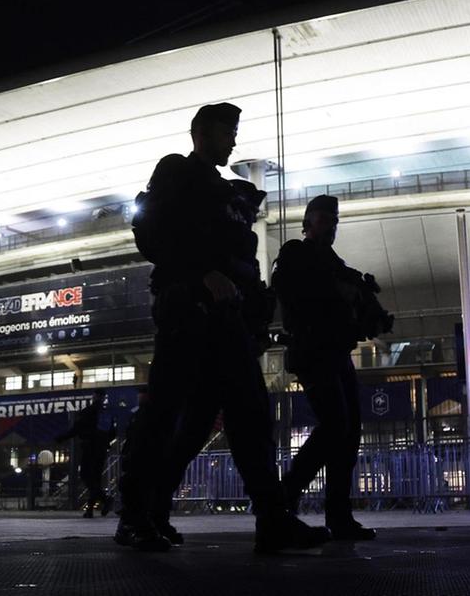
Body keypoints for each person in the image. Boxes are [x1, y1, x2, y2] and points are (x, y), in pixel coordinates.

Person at [116, 103, 330, 553]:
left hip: (228, 321)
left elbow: (240, 259)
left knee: (246, 414)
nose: (233, 140)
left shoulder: (228, 192)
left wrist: (254, 306)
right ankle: (136, 515)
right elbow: (150, 230)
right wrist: (198, 274)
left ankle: (270, 518)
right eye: (226, 131)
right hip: (187, 311)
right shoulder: (177, 172)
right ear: (201, 133)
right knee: (166, 415)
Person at [272, 194, 391, 540]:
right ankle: (288, 493)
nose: (331, 225)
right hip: (311, 350)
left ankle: (337, 515)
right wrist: (342, 294)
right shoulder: (296, 253)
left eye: (334, 220)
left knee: (349, 429)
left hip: (336, 351)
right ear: (308, 222)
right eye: (324, 218)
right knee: (336, 423)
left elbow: (356, 309)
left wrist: (371, 316)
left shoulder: (339, 267)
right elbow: (297, 294)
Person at [56, 389, 117, 518]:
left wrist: (61, 438)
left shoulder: (88, 412)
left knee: (86, 475)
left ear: (94, 397)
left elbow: (77, 428)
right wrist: (105, 442)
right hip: (101, 449)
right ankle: (90, 509)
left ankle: (105, 499)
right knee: (95, 479)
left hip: (90, 447)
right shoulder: (106, 413)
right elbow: (113, 432)